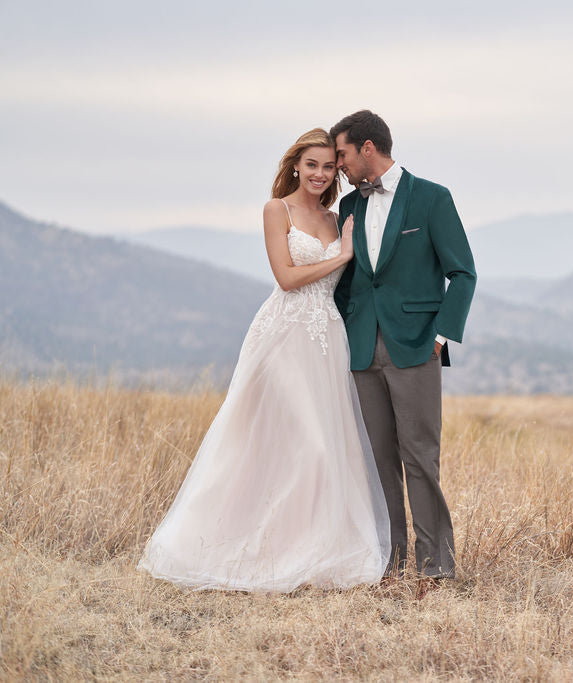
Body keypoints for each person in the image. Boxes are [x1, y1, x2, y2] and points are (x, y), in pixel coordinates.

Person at [138, 129, 391, 592]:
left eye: (328, 166)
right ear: (295, 165)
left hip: (326, 339)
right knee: (302, 444)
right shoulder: (278, 210)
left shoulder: (339, 219)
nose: (319, 173)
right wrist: (343, 257)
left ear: (337, 171)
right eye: (311, 164)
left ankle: (310, 551)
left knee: (327, 449)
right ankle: (251, 552)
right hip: (283, 335)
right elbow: (287, 278)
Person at [330, 110, 475, 595]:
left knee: (420, 458)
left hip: (415, 347)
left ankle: (435, 568)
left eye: (343, 155)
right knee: (378, 460)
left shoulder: (433, 198)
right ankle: (390, 564)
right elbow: (346, 281)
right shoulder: (348, 207)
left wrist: (440, 337)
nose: (340, 166)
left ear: (368, 148)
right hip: (360, 350)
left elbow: (463, 274)